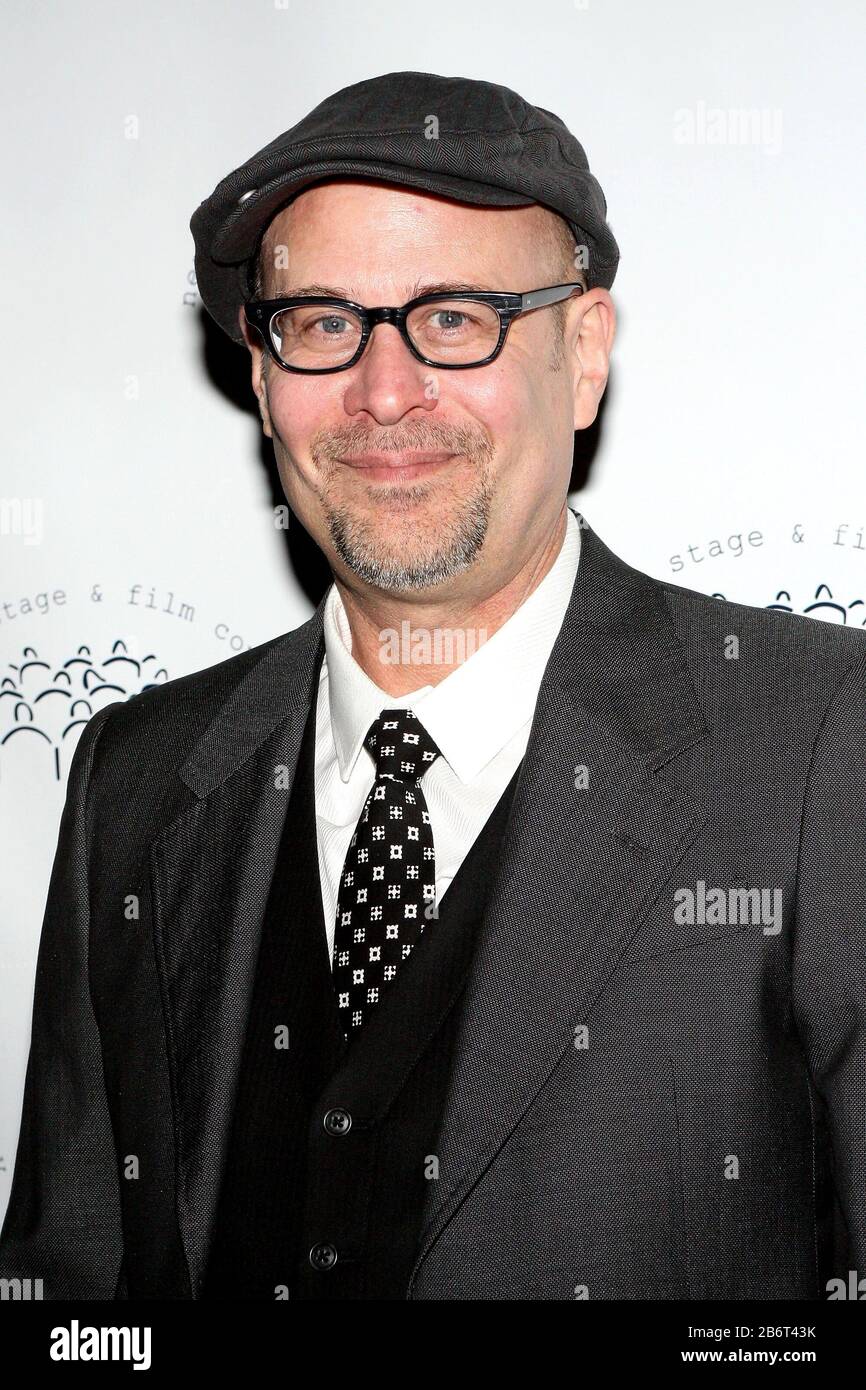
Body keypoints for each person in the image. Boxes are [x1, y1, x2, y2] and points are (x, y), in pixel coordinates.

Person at [1, 70, 863, 1301]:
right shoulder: (135, 777)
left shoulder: (819, 746)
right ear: (260, 376)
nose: (383, 390)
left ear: (581, 354)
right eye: (320, 321)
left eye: (453, 316)